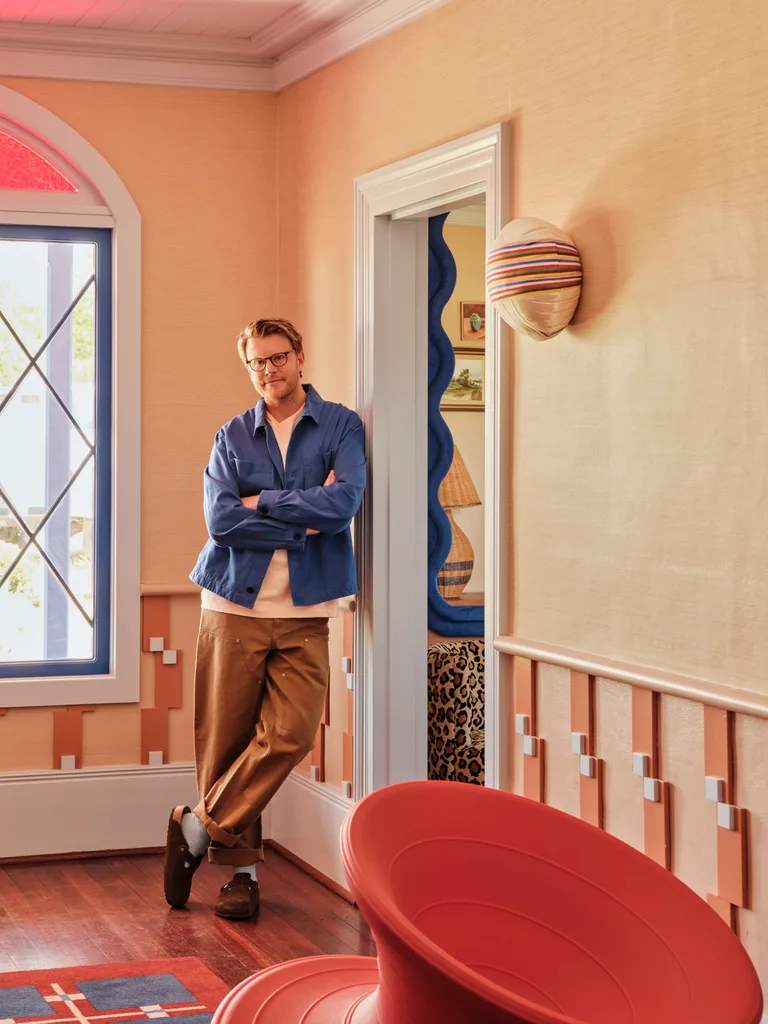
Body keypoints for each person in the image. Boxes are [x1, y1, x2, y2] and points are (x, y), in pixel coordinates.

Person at [163, 317, 366, 920]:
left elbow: (345, 501)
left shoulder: (340, 425)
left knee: (292, 734)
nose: (268, 372)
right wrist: (303, 516)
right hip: (232, 605)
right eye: (257, 363)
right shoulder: (231, 436)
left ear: (301, 357)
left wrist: (266, 503)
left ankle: (197, 828)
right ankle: (241, 878)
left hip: (306, 609)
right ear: (248, 367)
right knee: (226, 742)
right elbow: (221, 522)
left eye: (278, 358)